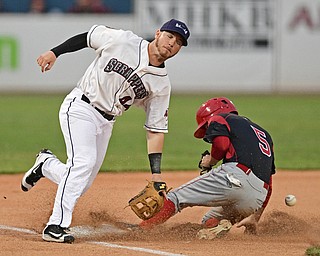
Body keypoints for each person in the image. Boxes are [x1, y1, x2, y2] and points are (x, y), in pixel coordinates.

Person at [21, 19, 190, 243]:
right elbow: (88, 37)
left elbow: (155, 130)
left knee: (81, 182)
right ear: (158, 33)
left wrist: (156, 174)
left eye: (178, 42)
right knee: (83, 163)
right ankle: (55, 225)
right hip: (81, 106)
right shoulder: (123, 40)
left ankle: (46, 165)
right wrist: (55, 52)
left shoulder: (161, 85)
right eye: (170, 36)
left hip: (106, 122)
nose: (172, 43)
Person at [138, 97, 276, 239]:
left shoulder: (220, 117)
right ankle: (220, 225)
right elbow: (269, 183)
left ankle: (141, 230)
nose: (207, 130)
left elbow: (221, 145)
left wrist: (210, 161)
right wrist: (255, 217)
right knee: (209, 220)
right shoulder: (265, 135)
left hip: (235, 177)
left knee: (176, 197)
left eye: (206, 127)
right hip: (256, 198)